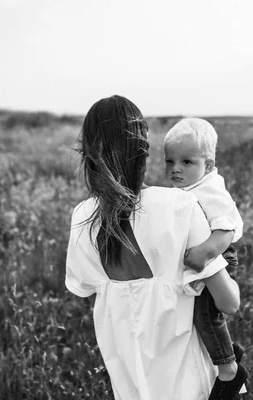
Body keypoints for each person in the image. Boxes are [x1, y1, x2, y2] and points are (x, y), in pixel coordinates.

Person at [65, 95, 242, 400]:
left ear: (90, 153)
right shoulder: (179, 206)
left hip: (130, 377)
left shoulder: (83, 217)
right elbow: (228, 303)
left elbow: (83, 285)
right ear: (143, 152)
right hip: (188, 379)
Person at [164, 118, 248, 399]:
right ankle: (229, 350)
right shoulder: (190, 186)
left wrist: (206, 253)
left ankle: (229, 369)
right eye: (170, 161)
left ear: (208, 165)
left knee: (206, 314)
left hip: (219, 254)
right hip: (208, 256)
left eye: (187, 162)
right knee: (199, 313)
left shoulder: (210, 189)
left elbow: (227, 229)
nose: (176, 168)